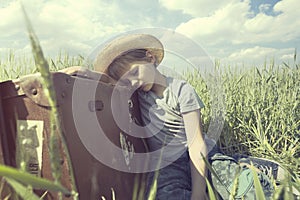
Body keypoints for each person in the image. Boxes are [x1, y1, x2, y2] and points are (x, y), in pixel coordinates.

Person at [60, 33, 290, 200]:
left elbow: (196, 143)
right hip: (165, 163)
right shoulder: (135, 92)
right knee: (167, 195)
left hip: (201, 153)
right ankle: (237, 161)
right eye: (127, 81)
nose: (134, 83)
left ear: (150, 57)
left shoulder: (182, 90)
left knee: (241, 189)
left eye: (134, 73)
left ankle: (254, 166)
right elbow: (109, 84)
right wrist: (82, 72)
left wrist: (199, 194)